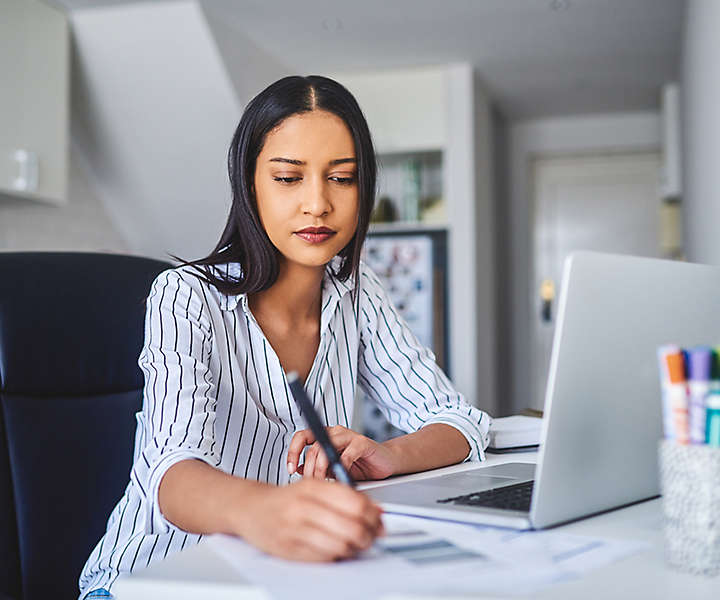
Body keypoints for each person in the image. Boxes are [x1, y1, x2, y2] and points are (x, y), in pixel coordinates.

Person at [78, 75, 491, 599]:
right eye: (289, 178)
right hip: (152, 579)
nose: (318, 203)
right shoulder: (184, 296)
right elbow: (172, 473)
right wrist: (265, 509)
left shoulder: (357, 291)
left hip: (284, 577)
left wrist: (390, 455)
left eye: (342, 178)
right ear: (250, 184)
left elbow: (459, 422)